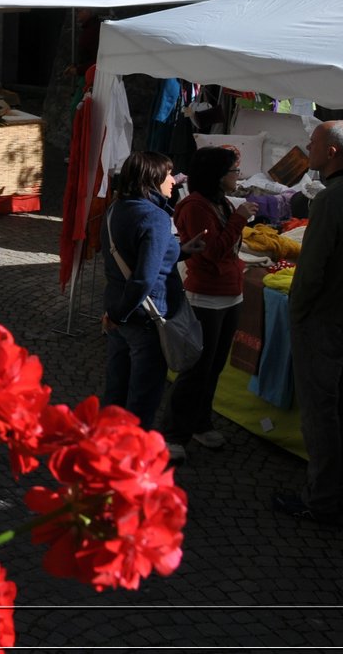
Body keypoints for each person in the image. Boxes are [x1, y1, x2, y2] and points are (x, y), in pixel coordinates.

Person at [275, 120, 343, 523]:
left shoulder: (333, 199)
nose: (308, 147)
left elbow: (312, 269)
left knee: (321, 410)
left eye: (314, 142)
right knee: (342, 406)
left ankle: (321, 499)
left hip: (326, 319)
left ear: (332, 152)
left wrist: (297, 312)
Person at [167, 146, 259, 461]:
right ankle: (174, 432)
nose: (238, 176)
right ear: (218, 177)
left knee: (214, 366)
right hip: (206, 297)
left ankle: (200, 422)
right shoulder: (195, 206)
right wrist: (239, 219)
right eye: (234, 171)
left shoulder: (218, 202)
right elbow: (213, 251)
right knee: (197, 367)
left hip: (230, 294)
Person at [101, 150, 203, 430]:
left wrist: (180, 252)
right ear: (152, 179)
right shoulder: (155, 218)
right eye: (168, 174)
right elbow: (144, 278)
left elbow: (130, 258)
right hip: (145, 316)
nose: (173, 180)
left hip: (119, 311)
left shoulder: (115, 209)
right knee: (142, 400)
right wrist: (121, 314)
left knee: (115, 392)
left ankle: (103, 451)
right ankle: (131, 461)